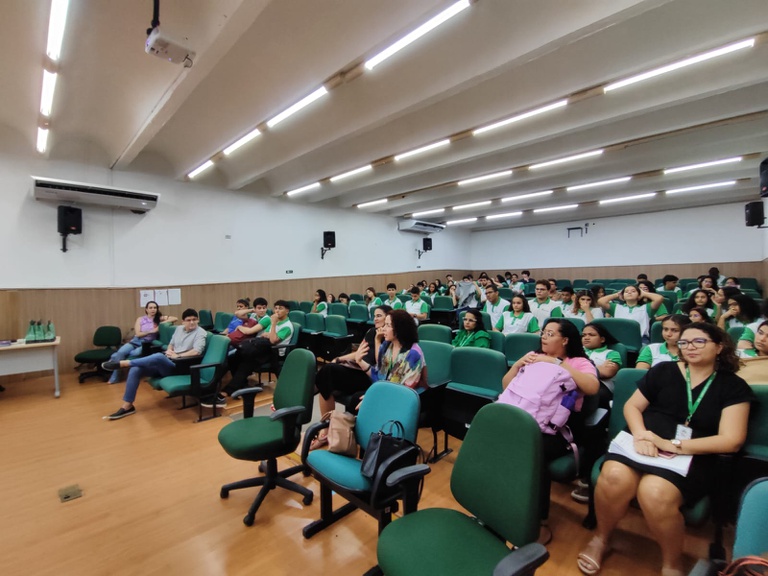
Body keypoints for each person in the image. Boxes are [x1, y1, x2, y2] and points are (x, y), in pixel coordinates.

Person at [578, 323, 753, 576]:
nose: (690, 347)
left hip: (692, 454)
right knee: (614, 477)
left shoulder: (733, 386)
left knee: (655, 492)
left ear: (719, 347)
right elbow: (632, 407)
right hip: (642, 441)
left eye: (699, 341)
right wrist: (640, 434)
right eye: (684, 342)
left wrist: (673, 445)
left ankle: (672, 562)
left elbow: (731, 440)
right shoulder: (664, 371)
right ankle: (600, 538)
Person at [501, 318, 599, 523]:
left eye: (550, 334)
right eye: (543, 333)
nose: (544, 337)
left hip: (560, 427)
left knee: (531, 451)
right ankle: (504, 499)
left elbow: (592, 387)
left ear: (565, 340)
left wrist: (558, 364)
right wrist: (518, 364)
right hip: (527, 417)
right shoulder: (535, 356)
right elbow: (506, 385)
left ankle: (537, 517)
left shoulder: (579, 362)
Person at [311, 305, 392, 449]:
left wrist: (378, 340)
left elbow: (381, 366)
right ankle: (327, 427)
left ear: (388, 318)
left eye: (379, 316)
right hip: (356, 368)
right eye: (374, 315)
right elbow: (358, 353)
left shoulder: (389, 336)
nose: (375, 319)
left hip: (369, 376)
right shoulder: (371, 331)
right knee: (326, 376)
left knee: (326, 373)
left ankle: (325, 427)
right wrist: (339, 358)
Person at [102, 308, 207, 420]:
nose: (192, 322)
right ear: (183, 322)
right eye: (188, 320)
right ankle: (128, 406)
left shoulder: (201, 332)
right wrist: (169, 350)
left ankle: (126, 363)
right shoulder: (179, 329)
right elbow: (171, 344)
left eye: (194, 319)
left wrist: (179, 356)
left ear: (198, 320)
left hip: (181, 366)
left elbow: (197, 351)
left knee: (158, 356)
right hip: (169, 361)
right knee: (135, 369)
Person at [220, 300, 295, 402]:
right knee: (235, 357)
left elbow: (273, 340)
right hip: (264, 348)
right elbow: (264, 334)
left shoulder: (287, 326)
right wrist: (270, 334)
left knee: (247, 362)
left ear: (287, 311)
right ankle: (241, 385)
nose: (277, 311)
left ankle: (230, 389)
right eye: (276, 308)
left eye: (280, 309)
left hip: (275, 352)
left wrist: (273, 325)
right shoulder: (276, 321)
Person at [351, 309, 426, 410]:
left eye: (388, 325)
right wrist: (360, 361)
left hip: (403, 399)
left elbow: (404, 391)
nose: (383, 329)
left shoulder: (413, 354)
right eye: (384, 325)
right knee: (356, 398)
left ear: (399, 329)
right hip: (387, 391)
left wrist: (375, 397)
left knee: (364, 403)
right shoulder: (386, 345)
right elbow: (379, 376)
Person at [106, 301, 177, 384]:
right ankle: (115, 377)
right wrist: (152, 331)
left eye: (155, 308)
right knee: (121, 352)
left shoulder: (159, 318)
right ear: (146, 309)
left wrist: (161, 324)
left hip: (146, 343)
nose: (153, 309)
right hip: (135, 341)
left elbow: (175, 318)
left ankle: (114, 358)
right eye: (150, 308)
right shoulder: (140, 319)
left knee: (134, 353)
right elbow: (138, 334)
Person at [598, 285, 665, 344]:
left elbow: (659, 298)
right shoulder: (616, 307)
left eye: (633, 291)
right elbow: (601, 301)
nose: (629, 293)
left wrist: (644, 293)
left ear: (639, 295)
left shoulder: (646, 308)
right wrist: (617, 294)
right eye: (626, 292)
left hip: (640, 339)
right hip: (620, 339)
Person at [581, 322, 623, 407]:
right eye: (584, 335)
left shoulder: (612, 354)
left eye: (591, 335)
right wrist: (598, 368)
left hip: (602, 386)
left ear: (602, 339)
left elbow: (607, 372)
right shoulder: (576, 352)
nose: (586, 338)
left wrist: (578, 369)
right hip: (577, 382)